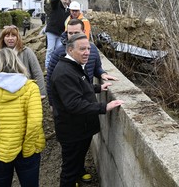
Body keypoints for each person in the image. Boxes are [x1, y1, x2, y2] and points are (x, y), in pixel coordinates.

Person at [50, 33, 124, 187]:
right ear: (70, 50)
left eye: (88, 49)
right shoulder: (64, 72)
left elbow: (78, 88)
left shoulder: (73, 66)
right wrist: (104, 107)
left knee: (76, 165)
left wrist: (97, 87)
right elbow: (74, 104)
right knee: (69, 171)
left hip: (80, 130)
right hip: (72, 132)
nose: (87, 53)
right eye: (82, 49)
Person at [0, 47, 45, 187]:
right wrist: (27, 149)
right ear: (17, 62)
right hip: (27, 150)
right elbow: (35, 122)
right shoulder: (31, 87)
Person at [46, 19, 118, 109]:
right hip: (68, 106)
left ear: (83, 32)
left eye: (76, 32)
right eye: (70, 33)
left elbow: (96, 67)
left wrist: (102, 74)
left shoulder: (93, 50)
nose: (72, 36)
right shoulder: (58, 53)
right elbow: (50, 80)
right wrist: (52, 103)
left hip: (89, 101)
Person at [0, 25, 46, 98]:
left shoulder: (26, 52)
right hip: (5, 94)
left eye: (13, 36)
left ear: (18, 37)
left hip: (25, 92)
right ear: (3, 38)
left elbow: (37, 72)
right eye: (7, 36)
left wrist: (41, 93)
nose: (10, 38)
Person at [45, 0, 70, 70]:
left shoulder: (67, 10)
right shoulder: (56, 5)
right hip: (52, 31)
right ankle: (47, 67)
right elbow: (53, 1)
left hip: (60, 33)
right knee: (50, 50)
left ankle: (56, 66)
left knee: (59, 50)